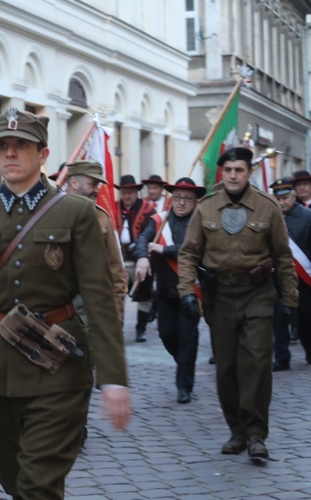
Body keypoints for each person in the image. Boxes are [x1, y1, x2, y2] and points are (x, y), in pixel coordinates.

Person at [0, 108, 130, 498]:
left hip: (59, 366)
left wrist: (112, 378)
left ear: (43, 155)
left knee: (37, 485)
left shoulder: (76, 213)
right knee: (14, 479)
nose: (11, 154)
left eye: (21, 146)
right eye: (3, 147)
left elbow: (98, 298)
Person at [178, 147, 297, 460]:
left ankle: (257, 434)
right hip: (221, 298)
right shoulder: (205, 207)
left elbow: (283, 256)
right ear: (222, 172)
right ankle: (237, 431)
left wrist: (289, 299)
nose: (233, 175)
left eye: (239, 170)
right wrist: (187, 291)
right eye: (228, 170)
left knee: (257, 364)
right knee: (226, 368)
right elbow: (189, 253)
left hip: (257, 294)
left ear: (249, 173)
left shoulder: (267, 206)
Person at [135, 177, 205, 404]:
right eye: (177, 197)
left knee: (188, 338)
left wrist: (164, 250)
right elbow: (143, 240)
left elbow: (194, 250)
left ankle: (184, 386)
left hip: (190, 292)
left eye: (187, 198)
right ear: (171, 199)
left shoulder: (200, 223)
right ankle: (185, 363)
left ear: (195, 202)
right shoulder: (159, 220)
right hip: (164, 292)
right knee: (167, 335)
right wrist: (142, 258)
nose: (181, 202)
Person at [54, 160, 127, 321]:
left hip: (90, 307)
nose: (96, 191)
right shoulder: (49, 213)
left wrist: (117, 312)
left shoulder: (102, 218)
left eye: (98, 185)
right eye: (92, 184)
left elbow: (115, 269)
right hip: (53, 307)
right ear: (73, 182)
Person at [269, 178, 311, 371]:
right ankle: (281, 358)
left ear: (294, 196)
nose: (281, 202)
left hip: (303, 279)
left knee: (305, 320)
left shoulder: (307, 216)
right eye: (278, 198)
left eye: (285, 197)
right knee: (279, 319)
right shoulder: (271, 216)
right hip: (278, 277)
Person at [115, 174, 156, 342]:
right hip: (119, 262)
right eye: (124, 192)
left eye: (130, 192)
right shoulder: (113, 207)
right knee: (118, 296)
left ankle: (141, 329)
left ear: (136, 192)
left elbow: (152, 234)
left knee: (144, 296)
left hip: (141, 261)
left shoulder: (147, 210)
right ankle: (118, 330)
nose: (127, 196)